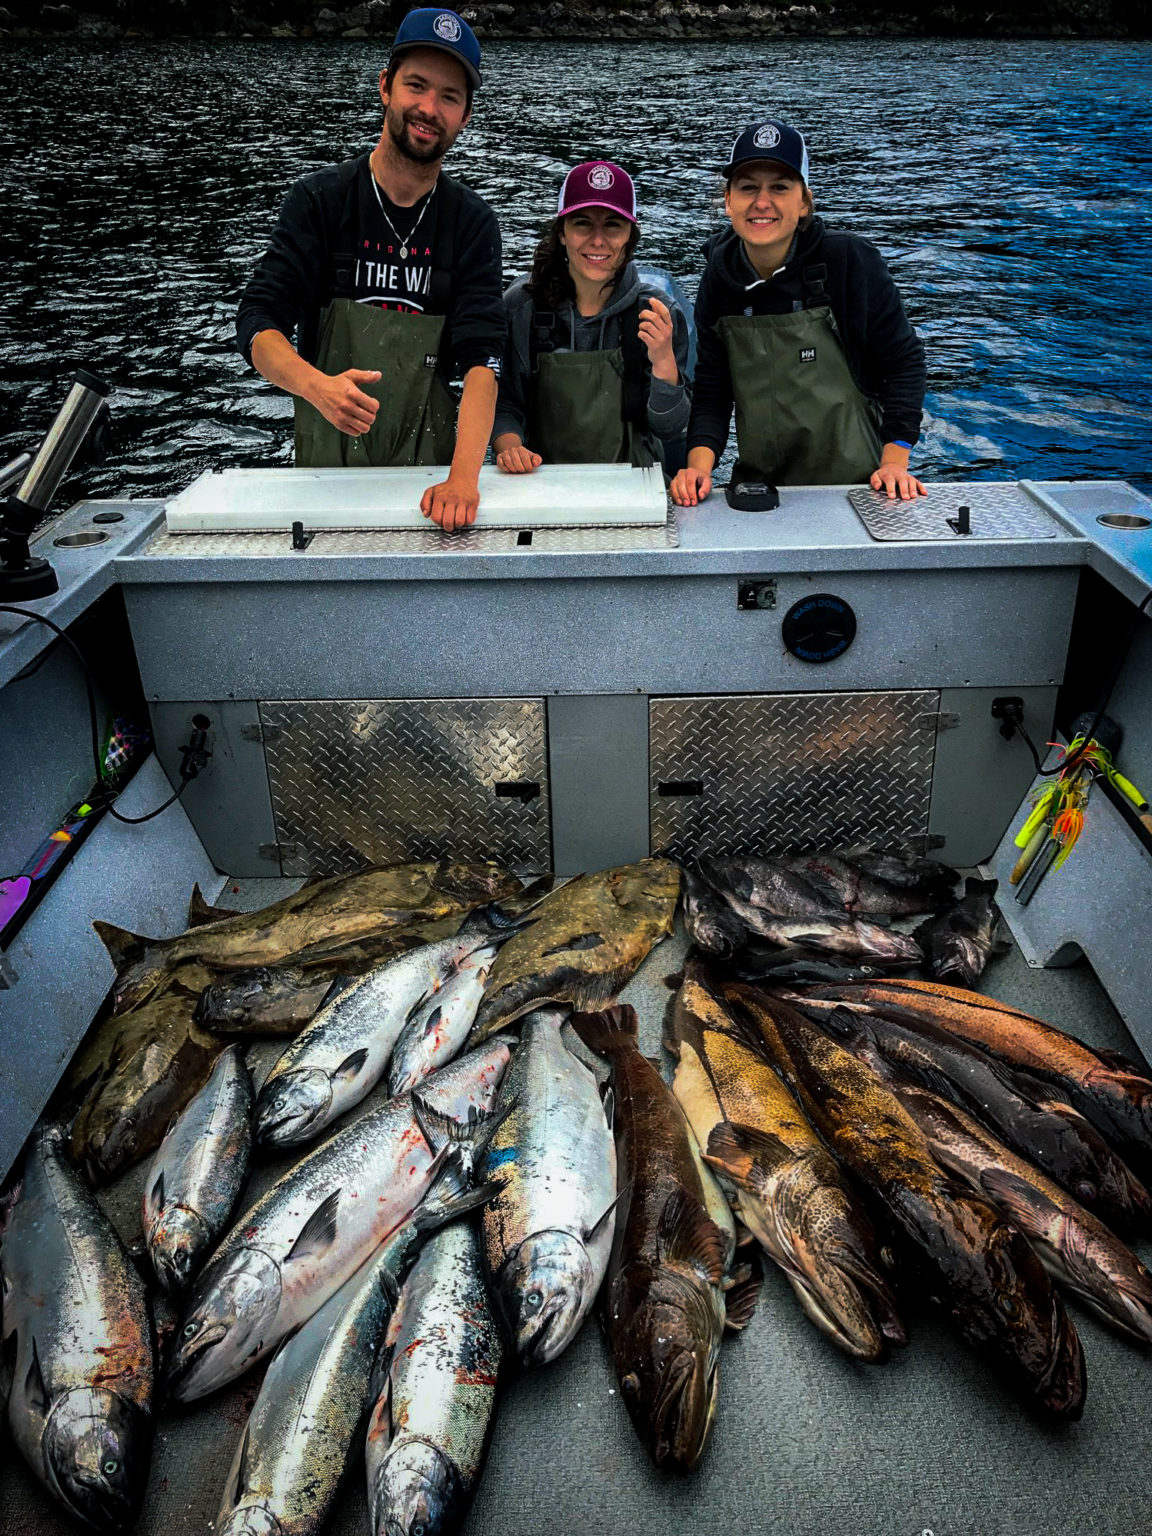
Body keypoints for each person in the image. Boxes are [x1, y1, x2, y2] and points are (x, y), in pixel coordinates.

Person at [235, 9, 505, 531]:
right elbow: (258, 324)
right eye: (417, 86)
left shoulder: (472, 223)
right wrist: (317, 387)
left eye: (449, 96)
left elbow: (483, 359)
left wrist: (463, 479)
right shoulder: (320, 200)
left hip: (431, 478)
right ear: (385, 86)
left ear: (465, 115)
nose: (429, 108)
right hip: (323, 482)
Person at [670, 120, 927, 509]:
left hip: (861, 487)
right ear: (728, 201)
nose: (762, 201)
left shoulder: (849, 261)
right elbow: (713, 388)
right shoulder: (718, 280)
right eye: (748, 187)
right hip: (761, 491)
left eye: (779, 187)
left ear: (803, 202)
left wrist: (895, 461)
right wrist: (698, 468)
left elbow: (904, 362)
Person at [492, 161, 691, 474]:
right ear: (562, 234)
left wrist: (665, 364)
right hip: (539, 482)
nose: (598, 240)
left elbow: (670, 430)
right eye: (582, 223)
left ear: (630, 237)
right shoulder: (521, 307)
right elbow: (504, 404)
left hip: (633, 488)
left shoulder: (658, 312)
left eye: (613, 225)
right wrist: (509, 446)